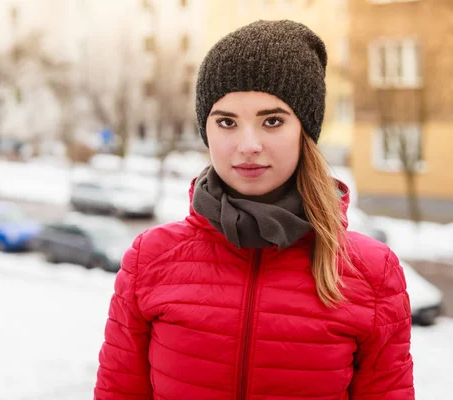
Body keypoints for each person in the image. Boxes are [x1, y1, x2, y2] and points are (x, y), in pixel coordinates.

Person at [94, 20, 414, 399]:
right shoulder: (151, 259)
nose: (248, 145)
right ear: (206, 130)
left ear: (304, 130)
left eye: (272, 121)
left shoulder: (371, 273)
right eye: (227, 122)